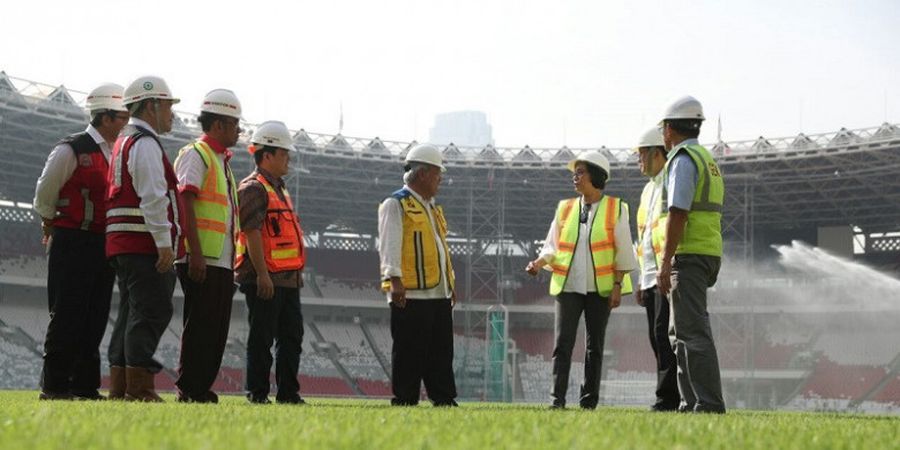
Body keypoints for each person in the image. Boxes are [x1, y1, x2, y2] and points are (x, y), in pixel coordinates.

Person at [33, 83, 129, 400]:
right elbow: (45, 191)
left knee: (95, 316)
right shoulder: (71, 149)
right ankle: (55, 385)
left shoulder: (116, 153)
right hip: (73, 240)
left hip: (102, 244)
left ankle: (85, 386)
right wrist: (51, 223)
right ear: (106, 117)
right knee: (67, 314)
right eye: (122, 117)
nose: (126, 122)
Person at [525, 151, 636, 410]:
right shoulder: (565, 208)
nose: (575, 177)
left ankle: (588, 402)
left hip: (601, 289)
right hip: (569, 287)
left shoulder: (615, 208)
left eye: (580, 172)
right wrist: (538, 263)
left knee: (594, 347)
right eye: (575, 173)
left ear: (595, 175)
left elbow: (624, 251)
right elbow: (552, 246)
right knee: (562, 344)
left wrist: (617, 287)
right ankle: (557, 400)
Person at [105, 75, 185, 402]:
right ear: (151, 105)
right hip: (143, 243)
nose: (172, 114)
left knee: (130, 312)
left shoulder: (124, 141)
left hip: (123, 242)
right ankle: (139, 387)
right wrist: (164, 244)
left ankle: (121, 385)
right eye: (167, 106)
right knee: (151, 310)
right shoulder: (145, 144)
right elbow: (153, 197)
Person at [656, 95, 726, 414]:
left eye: (663, 130)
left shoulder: (682, 160)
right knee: (680, 332)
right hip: (705, 251)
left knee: (692, 332)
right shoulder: (705, 158)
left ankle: (708, 404)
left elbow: (678, 213)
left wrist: (665, 261)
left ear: (670, 129)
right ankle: (691, 402)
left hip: (689, 254)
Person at [171, 89, 242, 403]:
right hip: (203, 258)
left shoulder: (221, 161)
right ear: (218, 124)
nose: (239, 130)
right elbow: (184, 199)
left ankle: (200, 387)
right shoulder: (196, 154)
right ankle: (190, 388)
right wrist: (194, 251)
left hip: (221, 260)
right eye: (234, 123)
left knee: (215, 330)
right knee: (201, 326)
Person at [377, 144, 458, 407]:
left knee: (441, 353)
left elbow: (439, 248)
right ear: (422, 174)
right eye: (437, 174)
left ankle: (443, 398)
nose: (440, 180)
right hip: (410, 293)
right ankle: (405, 399)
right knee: (409, 352)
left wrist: (450, 284)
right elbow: (389, 244)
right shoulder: (396, 203)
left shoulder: (431, 207)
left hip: (438, 293)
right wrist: (394, 280)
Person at [234, 120, 306, 405]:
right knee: (262, 338)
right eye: (284, 153)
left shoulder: (280, 188)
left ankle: (289, 394)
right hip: (265, 279)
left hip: (287, 278)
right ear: (267, 154)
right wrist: (262, 274)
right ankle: (258, 392)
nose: (288, 158)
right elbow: (250, 232)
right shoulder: (254, 188)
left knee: (291, 338)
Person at [633, 126, 680, 411]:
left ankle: (668, 399)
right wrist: (641, 279)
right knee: (656, 336)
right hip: (650, 276)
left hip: (666, 272)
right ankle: (669, 396)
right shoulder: (648, 190)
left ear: (656, 153)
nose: (639, 161)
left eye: (641, 155)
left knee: (664, 335)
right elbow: (645, 237)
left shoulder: (670, 181)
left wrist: (665, 267)